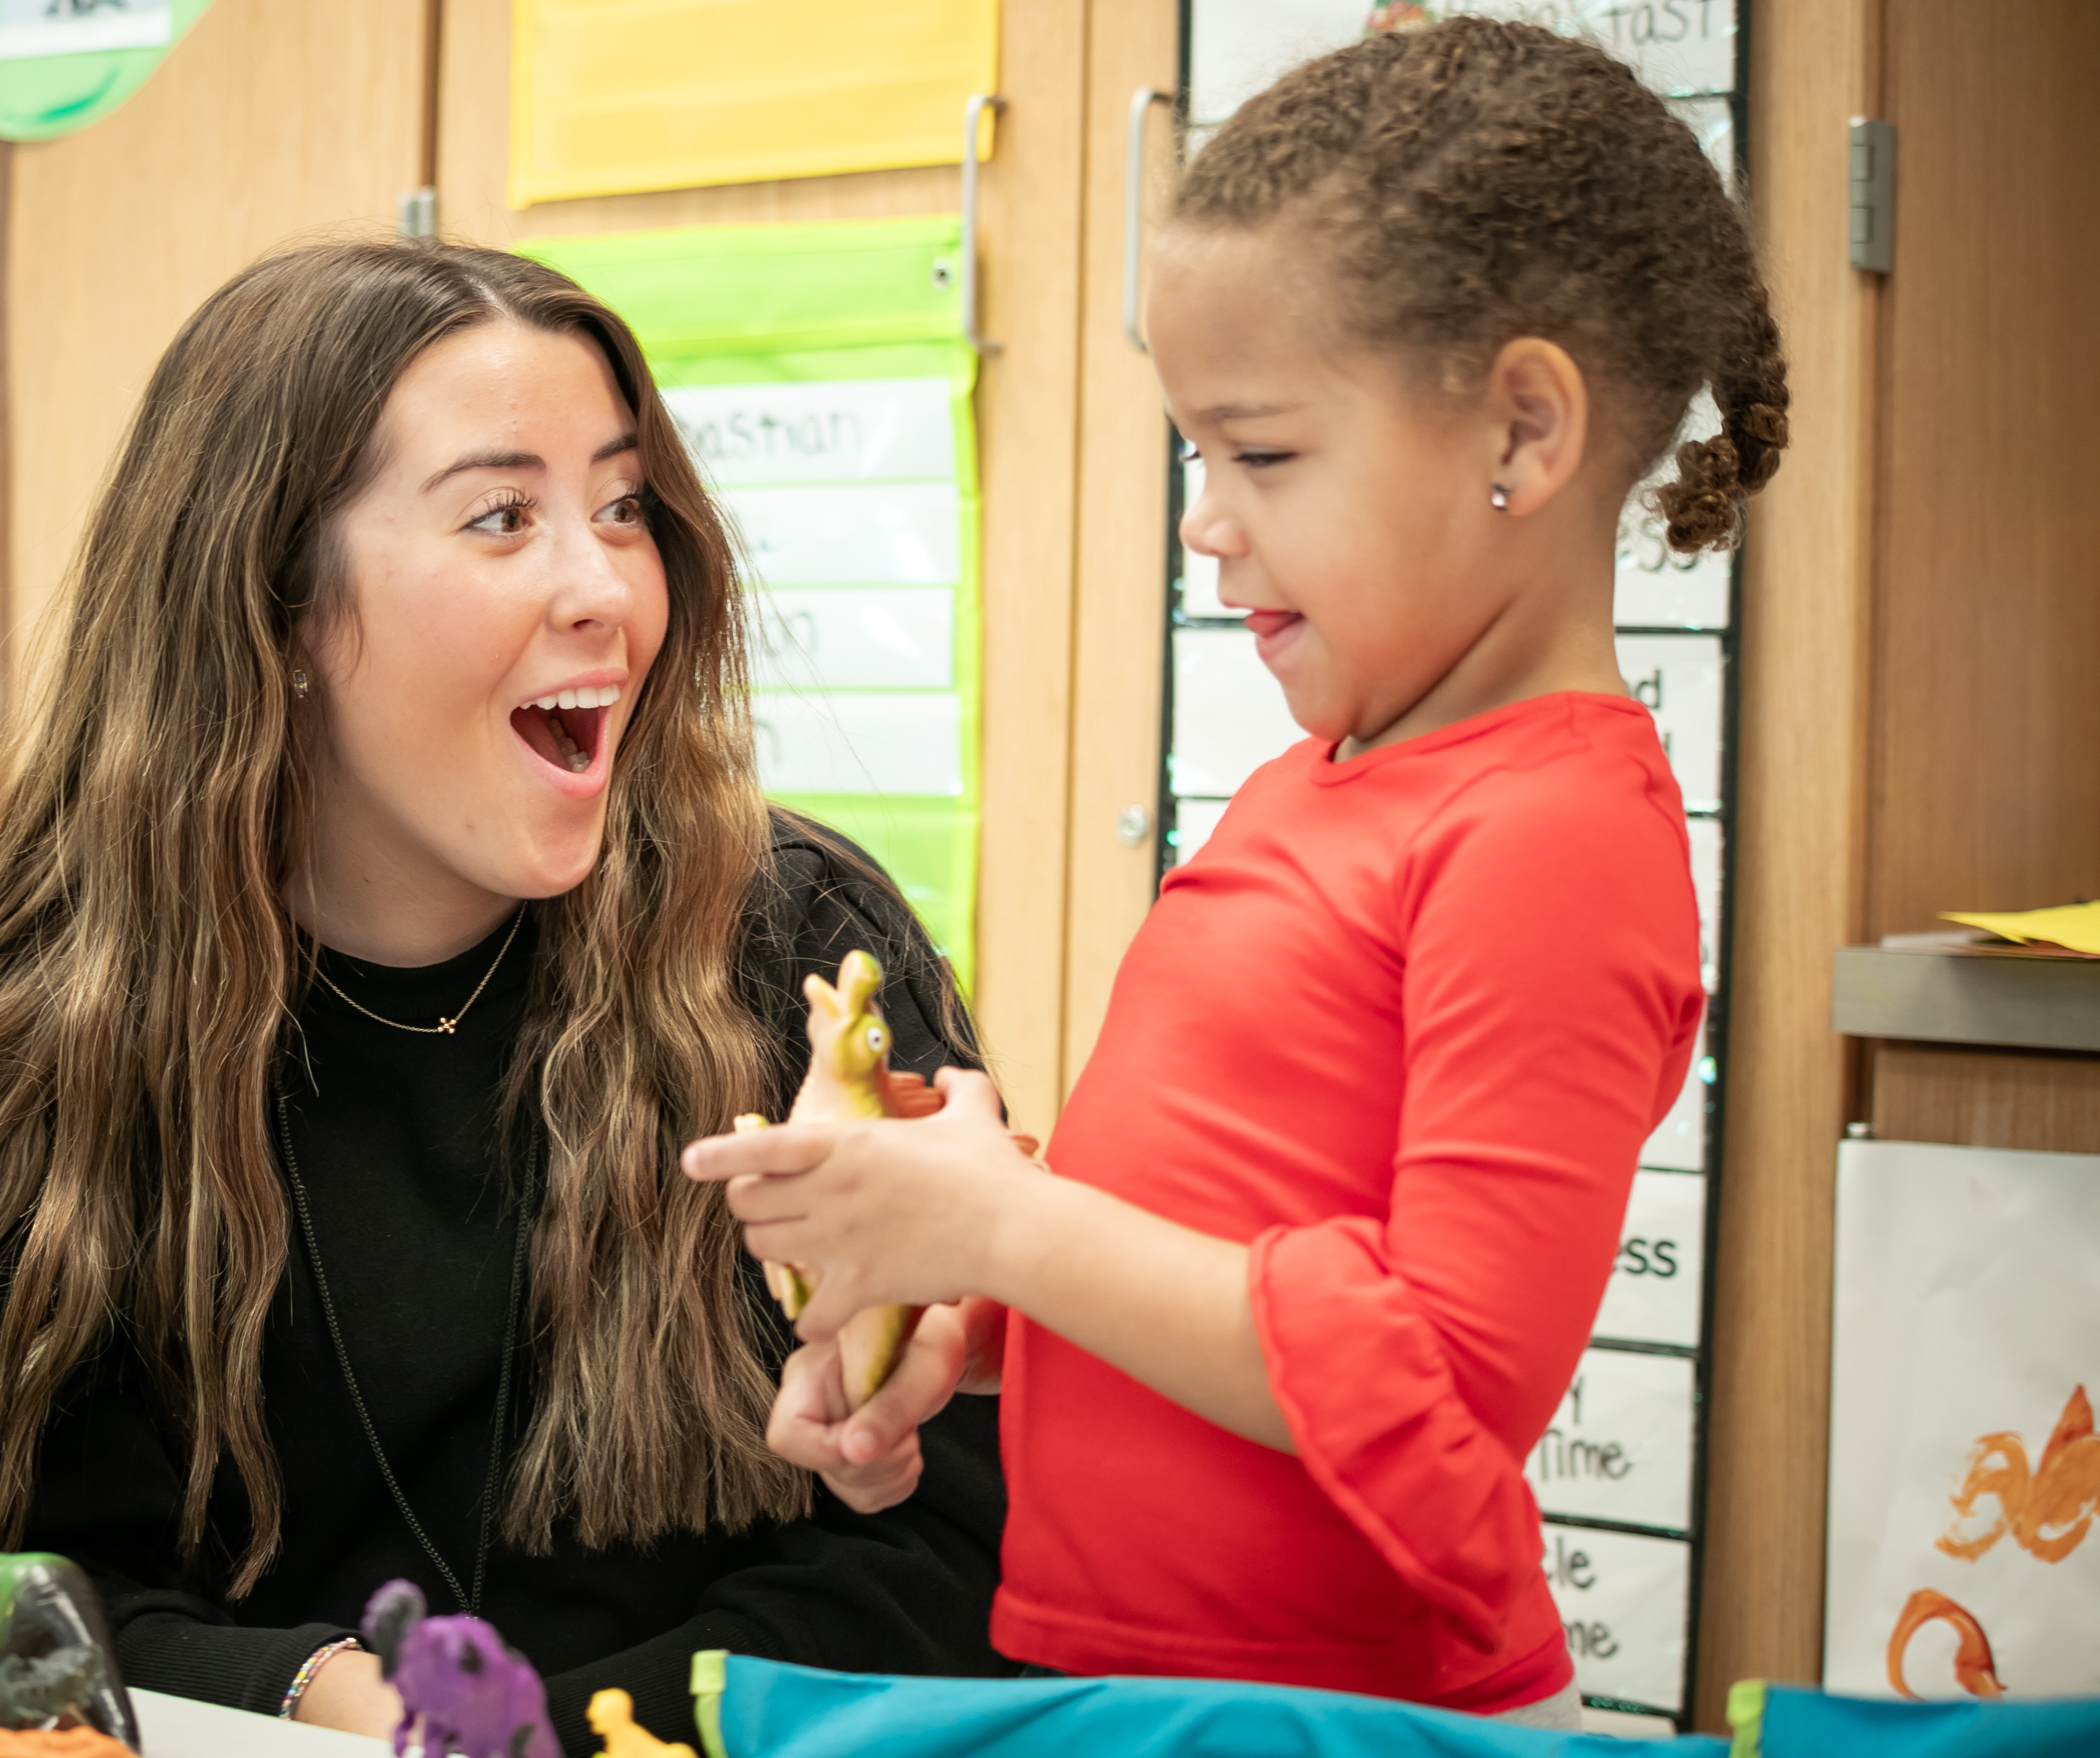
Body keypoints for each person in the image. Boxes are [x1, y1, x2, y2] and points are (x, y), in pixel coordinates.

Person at [685, 16, 1784, 1728]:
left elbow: (1435, 1378)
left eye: (1260, 454)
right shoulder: (1317, 784)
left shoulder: (1554, 838)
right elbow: (1230, 1252)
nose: (1207, 518)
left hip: (1339, 1714)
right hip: (1126, 1672)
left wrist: (1017, 1223)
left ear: (1524, 429)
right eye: (1198, 453)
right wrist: (963, 1308)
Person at [0, 242, 1007, 1756]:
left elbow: (946, 1552)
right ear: (279, 604)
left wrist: (532, 1742)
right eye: (502, 516)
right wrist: (314, 1695)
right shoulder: (56, 1021)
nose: (603, 588)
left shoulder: (792, 946)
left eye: (624, 507)